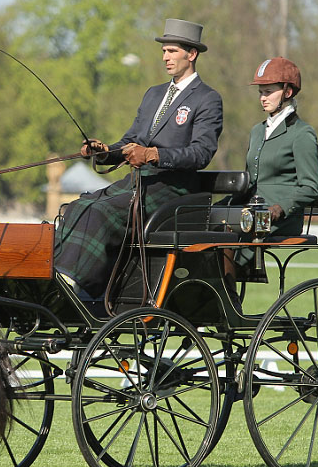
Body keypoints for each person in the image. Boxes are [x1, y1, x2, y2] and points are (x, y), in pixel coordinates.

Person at [54, 18, 224, 297]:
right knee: (78, 206)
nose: (165, 57)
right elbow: (131, 142)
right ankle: (67, 279)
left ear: (191, 54)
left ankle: (81, 284)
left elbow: (202, 153)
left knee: (99, 211)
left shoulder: (207, 99)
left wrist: (154, 155)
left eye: (172, 51)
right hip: (138, 183)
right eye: (164, 51)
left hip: (174, 189)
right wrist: (105, 151)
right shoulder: (153, 94)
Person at [223, 57, 318, 309]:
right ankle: (211, 298)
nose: (262, 98)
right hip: (251, 211)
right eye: (260, 92)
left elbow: (310, 187)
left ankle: (228, 304)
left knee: (227, 235)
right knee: (205, 225)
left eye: (268, 92)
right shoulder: (257, 131)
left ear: (287, 92)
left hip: (280, 217)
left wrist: (280, 208)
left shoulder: (301, 134)